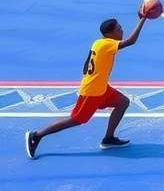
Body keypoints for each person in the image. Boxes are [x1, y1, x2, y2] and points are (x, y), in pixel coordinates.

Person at [25, 13, 148, 159]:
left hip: (101, 88)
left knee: (123, 102)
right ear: (110, 34)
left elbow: (86, 66)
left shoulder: (98, 43)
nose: (122, 31)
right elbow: (131, 41)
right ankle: (36, 135)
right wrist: (143, 19)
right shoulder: (108, 44)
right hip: (92, 91)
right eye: (119, 29)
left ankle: (108, 139)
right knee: (76, 120)